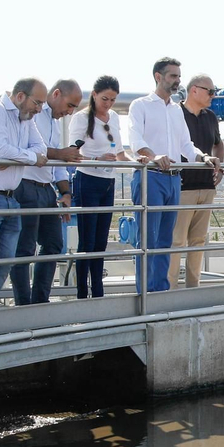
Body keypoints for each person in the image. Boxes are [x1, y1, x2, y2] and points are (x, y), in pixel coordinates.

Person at [128, 57, 218, 293]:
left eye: (179, 76)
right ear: (158, 77)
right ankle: (144, 296)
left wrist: (204, 158)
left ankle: (160, 294)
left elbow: (186, 145)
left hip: (174, 179)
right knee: (147, 240)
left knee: (165, 241)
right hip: (151, 177)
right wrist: (153, 155)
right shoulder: (140, 105)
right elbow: (135, 140)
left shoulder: (176, 110)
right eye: (172, 76)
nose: (177, 81)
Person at [0, 78, 50, 311]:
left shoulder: (26, 119)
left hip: (9, 197)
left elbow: (40, 147)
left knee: (5, 261)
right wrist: (29, 158)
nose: (39, 109)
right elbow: (0, 151)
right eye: (37, 102)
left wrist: (14, 158)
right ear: (21, 96)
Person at [10, 78, 83, 305]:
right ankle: (24, 303)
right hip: (26, 184)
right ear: (57, 94)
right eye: (70, 105)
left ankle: (40, 300)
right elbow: (31, 150)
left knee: (53, 244)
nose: (69, 112)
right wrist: (60, 154)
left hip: (46, 189)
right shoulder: (32, 116)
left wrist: (66, 192)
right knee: (25, 248)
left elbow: (57, 163)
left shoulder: (53, 122)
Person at [71, 76, 127, 298]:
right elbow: (75, 153)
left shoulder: (113, 117)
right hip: (88, 180)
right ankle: (82, 292)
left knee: (101, 239)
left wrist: (137, 160)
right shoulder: (81, 119)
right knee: (88, 240)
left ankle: (98, 290)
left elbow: (120, 152)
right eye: (105, 98)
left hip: (108, 182)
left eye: (112, 99)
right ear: (94, 95)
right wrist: (98, 158)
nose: (108, 104)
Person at [177, 73, 224, 288]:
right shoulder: (175, 113)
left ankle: (192, 288)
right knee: (176, 241)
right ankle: (170, 290)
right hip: (182, 186)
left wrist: (219, 166)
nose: (213, 95)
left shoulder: (210, 116)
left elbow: (218, 143)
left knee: (197, 242)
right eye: (210, 91)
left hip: (206, 187)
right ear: (194, 90)